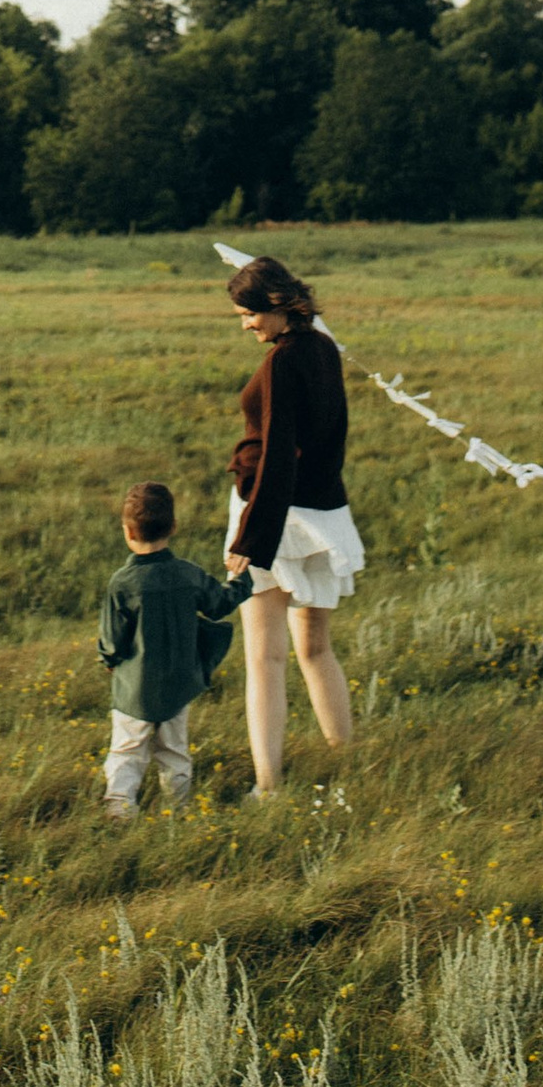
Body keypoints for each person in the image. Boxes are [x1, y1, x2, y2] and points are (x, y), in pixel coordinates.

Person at [221, 255, 364, 784]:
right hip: (324, 514)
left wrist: (251, 539)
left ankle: (268, 785)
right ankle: (343, 758)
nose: (246, 325)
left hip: (275, 517)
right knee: (316, 647)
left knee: (265, 659)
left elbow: (279, 453)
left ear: (277, 306)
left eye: (249, 314)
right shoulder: (323, 348)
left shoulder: (284, 362)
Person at [96, 477, 250, 820]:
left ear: (128, 532)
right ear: (174, 526)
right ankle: (178, 810)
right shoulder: (188, 574)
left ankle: (120, 811)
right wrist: (240, 579)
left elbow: (112, 636)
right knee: (175, 752)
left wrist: (108, 659)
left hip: (133, 690)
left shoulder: (123, 583)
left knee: (127, 751)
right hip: (179, 685)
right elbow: (220, 604)